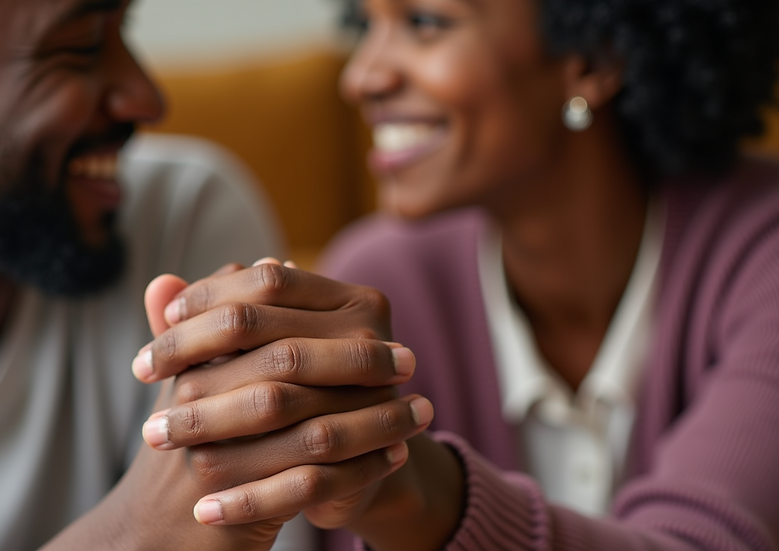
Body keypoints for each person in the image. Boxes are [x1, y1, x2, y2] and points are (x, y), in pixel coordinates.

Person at [130, 0, 779, 549]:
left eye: (425, 22)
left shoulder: (761, 251)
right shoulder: (378, 284)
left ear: (594, 55)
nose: (362, 78)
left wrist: (418, 494)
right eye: (367, 24)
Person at [0, 0, 414, 548]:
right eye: (80, 47)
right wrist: (139, 531)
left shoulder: (182, 215)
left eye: (126, 28)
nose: (147, 98)